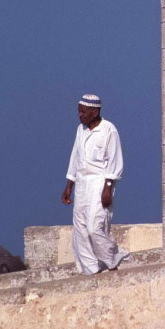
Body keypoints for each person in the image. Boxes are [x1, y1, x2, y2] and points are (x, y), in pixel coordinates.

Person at [62, 93, 129, 275]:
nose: (80, 115)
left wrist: (108, 187)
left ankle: (113, 258)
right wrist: (69, 185)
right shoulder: (80, 130)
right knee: (81, 231)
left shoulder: (109, 130)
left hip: (100, 184)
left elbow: (115, 160)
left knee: (94, 227)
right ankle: (92, 270)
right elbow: (75, 158)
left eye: (83, 112)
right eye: (79, 111)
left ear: (95, 111)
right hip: (82, 185)